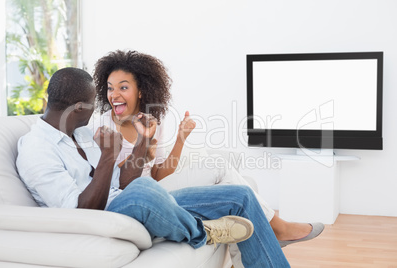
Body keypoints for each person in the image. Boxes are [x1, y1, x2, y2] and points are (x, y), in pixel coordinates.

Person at [16, 67, 290, 268]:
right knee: (145, 189)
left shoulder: (82, 133)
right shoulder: (36, 149)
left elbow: (123, 183)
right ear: (78, 107)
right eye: (91, 104)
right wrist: (108, 157)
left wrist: (142, 141)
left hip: (132, 199)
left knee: (240, 196)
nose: (100, 108)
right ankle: (200, 231)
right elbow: (80, 212)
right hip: (103, 216)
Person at [89, 50, 324, 252]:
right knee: (227, 178)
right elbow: (108, 182)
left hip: (157, 186)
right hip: (139, 197)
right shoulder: (102, 127)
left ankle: (265, 235)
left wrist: (180, 138)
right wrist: (140, 151)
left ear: (141, 91)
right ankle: (278, 228)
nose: (114, 95)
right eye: (110, 88)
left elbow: (160, 174)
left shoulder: (153, 122)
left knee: (225, 176)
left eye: (123, 87)